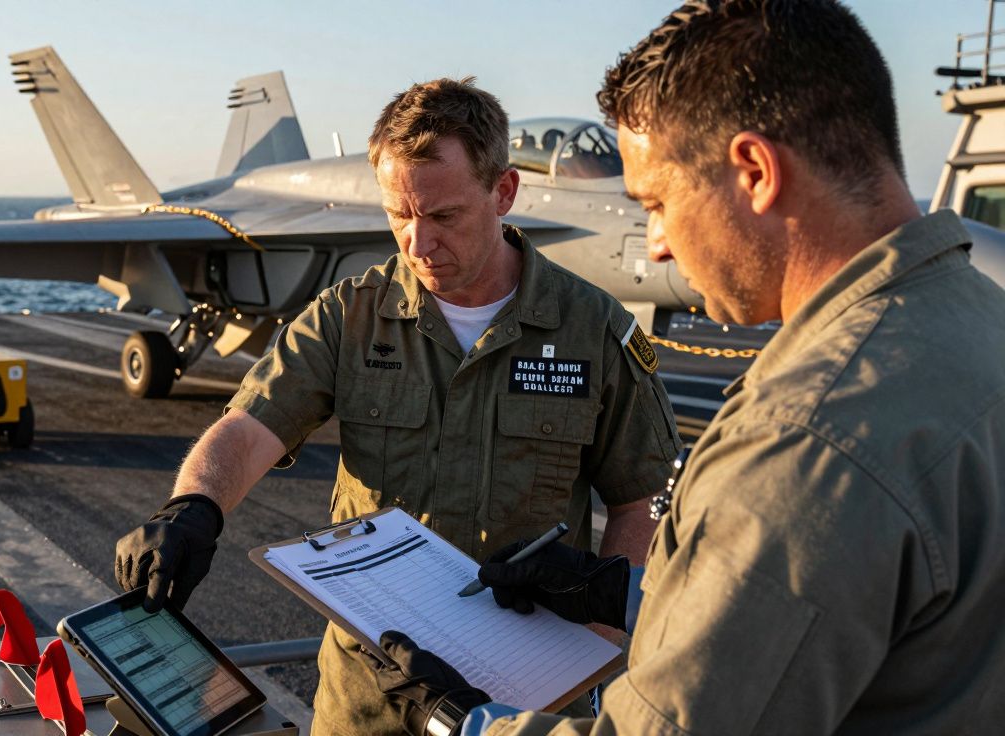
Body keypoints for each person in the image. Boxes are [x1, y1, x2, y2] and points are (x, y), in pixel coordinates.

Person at [366, 1, 1005, 734]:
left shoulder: (804, 440)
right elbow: (847, 615)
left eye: (659, 202)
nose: (658, 242)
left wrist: (458, 720)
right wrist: (625, 594)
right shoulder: (980, 324)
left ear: (755, 172)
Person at [113, 77, 683, 734]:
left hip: (526, 704)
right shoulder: (350, 315)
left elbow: (644, 500)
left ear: (504, 192)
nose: (417, 244)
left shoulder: (593, 329)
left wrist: (595, 648)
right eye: (399, 215)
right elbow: (249, 426)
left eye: (443, 217)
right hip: (368, 702)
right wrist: (193, 506)